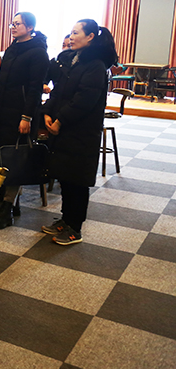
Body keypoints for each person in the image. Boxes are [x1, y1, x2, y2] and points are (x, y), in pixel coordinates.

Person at [40, 19, 117, 245]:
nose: (71, 37)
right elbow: (58, 92)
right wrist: (47, 113)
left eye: (76, 33)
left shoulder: (96, 65)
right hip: (64, 129)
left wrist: (60, 120)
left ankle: (75, 227)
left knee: (77, 180)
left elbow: (84, 100)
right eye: (71, 33)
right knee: (65, 176)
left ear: (90, 36)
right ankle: (65, 219)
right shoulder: (72, 60)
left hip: (81, 132)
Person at [0, 11, 49, 229]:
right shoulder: (12, 48)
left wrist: (26, 117)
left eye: (18, 24)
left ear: (30, 28)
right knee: (1, 155)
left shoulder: (38, 52)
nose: (13, 27)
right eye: (12, 23)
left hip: (21, 113)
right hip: (4, 110)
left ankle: (8, 207)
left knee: (16, 160)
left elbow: (34, 89)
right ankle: (4, 201)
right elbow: (2, 78)